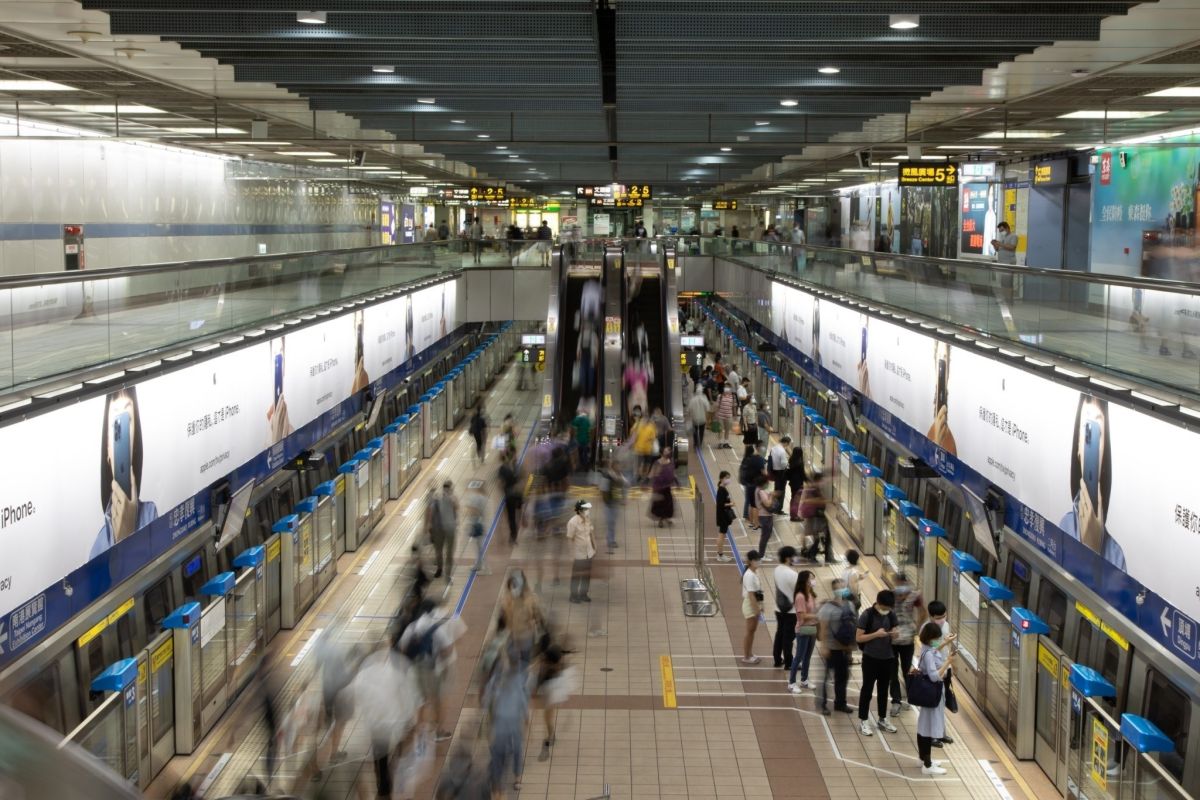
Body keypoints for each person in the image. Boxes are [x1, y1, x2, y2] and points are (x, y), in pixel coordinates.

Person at [399, 597, 467, 744]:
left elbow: (403, 648)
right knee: (441, 698)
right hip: (442, 667)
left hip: (419, 667)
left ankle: (419, 731)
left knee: (421, 699)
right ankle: (439, 731)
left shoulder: (414, 626)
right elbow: (451, 647)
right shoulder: (449, 618)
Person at [856, 589, 900, 736]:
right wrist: (876, 634)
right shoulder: (867, 615)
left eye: (890, 608)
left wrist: (895, 633)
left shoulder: (891, 614)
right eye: (886, 607)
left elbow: (895, 628)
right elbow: (859, 638)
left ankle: (882, 719)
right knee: (867, 690)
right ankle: (863, 720)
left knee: (883, 690)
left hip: (887, 658)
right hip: (870, 658)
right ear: (879, 603)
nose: (888, 610)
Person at [915, 621, 955, 775]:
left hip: (928, 695)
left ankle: (922, 759)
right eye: (938, 638)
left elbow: (932, 652)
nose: (939, 640)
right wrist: (947, 663)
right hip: (933, 694)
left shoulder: (926, 648)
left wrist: (945, 643)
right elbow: (933, 676)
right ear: (931, 638)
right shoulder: (929, 654)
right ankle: (927, 764)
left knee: (924, 725)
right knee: (927, 729)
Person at [815, 578, 855, 715]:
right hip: (831, 649)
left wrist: (850, 649)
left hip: (844, 648)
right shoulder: (827, 608)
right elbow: (823, 628)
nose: (843, 589)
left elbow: (851, 627)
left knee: (842, 677)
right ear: (834, 590)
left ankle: (840, 703)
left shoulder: (850, 605)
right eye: (839, 587)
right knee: (825, 678)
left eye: (844, 586)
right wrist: (824, 646)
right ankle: (822, 704)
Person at [889, 573, 924, 716]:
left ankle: (896, 701)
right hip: (908, 638)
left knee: (892, 671)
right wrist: (917, 627)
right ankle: (910, 697)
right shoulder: (915, 595)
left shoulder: (890, 595)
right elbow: (923, 613)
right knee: (906, 668)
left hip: (893, 638)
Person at [926, 600, 958, 747]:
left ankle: (941, 733)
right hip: (933, 671)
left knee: (941, 702)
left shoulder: (946, 625)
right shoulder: (927, 630)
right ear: (931, 617)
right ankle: (932, 736)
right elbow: (929, 652)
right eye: (938, 617)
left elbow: (945, 649)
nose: (942, 619)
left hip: (945, 669)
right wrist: (945, 643)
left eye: (944, 616)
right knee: (933, 704)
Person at [788, 569, 819, 692]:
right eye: (811, 578)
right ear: (805, 581)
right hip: (803, 629)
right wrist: (817, 615)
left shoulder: (810, 594)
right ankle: (791, 682)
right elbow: (802, 616)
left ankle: (804, 680)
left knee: (808, 656)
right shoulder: (800, 596)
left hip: (812, 628)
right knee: (799, 656)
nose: (813, 581)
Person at [772, 546, 799, 669]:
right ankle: (789, 663)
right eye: (793, 556)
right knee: (788, 638)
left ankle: (777, 659)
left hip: (779, 608)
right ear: (788, 558)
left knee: (779, 634)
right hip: (791, 610)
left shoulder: (776, 569)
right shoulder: (793, 574)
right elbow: (799, 591)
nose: (795, 559)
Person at [566, 500, 597, 603]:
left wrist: (595, 546)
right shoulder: (572, 522)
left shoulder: (588, 520)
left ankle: (583, 594)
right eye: (585, 509)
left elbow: (591, 533)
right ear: (579, 511)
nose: (587, 511)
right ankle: (573, 596)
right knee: (577, 576)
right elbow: (570, 539)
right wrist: (571, 555)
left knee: (586, 575)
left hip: (589, 553)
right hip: (579, 554)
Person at [798, 470, 831, 562]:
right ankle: (807, 551)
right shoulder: (811, 487)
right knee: (808, 532)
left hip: (812, 514)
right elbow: (807, 500)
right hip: (811, 514)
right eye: (821, 480)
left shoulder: (813, 486)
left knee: (812, 533)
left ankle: (808, 551)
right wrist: (824, 501)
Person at [428, 481, 459, 580]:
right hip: (439, 529)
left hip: (450, 528)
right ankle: (440, 568)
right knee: (438, 550)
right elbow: (431, 511)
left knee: (449, 552)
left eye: (450, 489)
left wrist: (451, 499)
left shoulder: (453, 499)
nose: (448, 491)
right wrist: (430, 525)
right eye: (447, 489)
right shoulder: (438, 499)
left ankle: (448, 573)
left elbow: (457, 508)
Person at [741, 551, 764, 664]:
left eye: (759, 559)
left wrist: (761, 605)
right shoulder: (749, 575)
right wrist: (756, 609)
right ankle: (746, 656)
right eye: (755, 560)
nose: (758, 562)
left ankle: (750, 653)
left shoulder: (755, 572)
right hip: (750, 604)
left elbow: (758, 590)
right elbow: (750, 594)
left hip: (755, 603)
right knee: (750, 631)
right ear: (750, 561)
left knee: (752, 630)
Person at [463, 480, 490, 574]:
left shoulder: (478, 497)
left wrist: (469, 510)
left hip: (478, 523)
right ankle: (478, 565)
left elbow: (475, 510)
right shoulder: (483, 497)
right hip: (481, 523)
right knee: (478, 546)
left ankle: (486, 569)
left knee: (480, 547)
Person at [498, 452, 523, 546]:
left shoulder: (502, 469)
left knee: (511, 518)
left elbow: (501, 483)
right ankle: (516, 532)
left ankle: (513, 537)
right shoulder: (517, 467)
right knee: (518, 515)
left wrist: (503, 490)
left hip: (509, 496)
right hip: (519, 494)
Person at [738, 444, 765, 527]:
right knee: (755, 504)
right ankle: (755, 523)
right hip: (754, 484)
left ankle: (749, 519)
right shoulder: (757, 459)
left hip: (747, 482)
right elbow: (763, 472)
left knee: (749, 502)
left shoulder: (747, 459)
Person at [649, 451, 676, 526]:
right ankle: (661, 520)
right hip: (659, 487)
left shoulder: (670, 462)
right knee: (660, 504)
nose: (667, 453)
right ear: (662, 454)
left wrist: (676, 481)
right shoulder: (658, 463)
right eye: (666, 451)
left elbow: (673, 473)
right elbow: (652, 474)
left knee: (668, 503)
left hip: (667, 487)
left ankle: (666, 518)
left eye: (668, 451)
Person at [754, 474, 776, 561]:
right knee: (765, 536)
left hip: (764, 516)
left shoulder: (758, 490)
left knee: (766, 536)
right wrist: (771, 496)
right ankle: (761, 555)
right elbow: (767, 504)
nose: (768, 483)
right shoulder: (761, 491)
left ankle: (762, 553)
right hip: (765, 516)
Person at [714, 470, 735, 563]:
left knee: (722, 535)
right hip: (723, 516)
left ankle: (720, 554)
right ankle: (720, 555)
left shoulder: (722, 488)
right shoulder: (721, 490)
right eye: (726, 478)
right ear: (721, 479)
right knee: (721, 535)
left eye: (729, 478)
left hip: (723, 515)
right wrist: (730, 504)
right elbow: (721, 504)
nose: (728, 480)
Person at [768, 435, 791, 512]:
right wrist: (788, 462)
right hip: (781, 473)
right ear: (786, 443)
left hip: (774, 471)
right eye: (788, 444)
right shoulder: (782, 451)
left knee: (776, 489)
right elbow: (784, 464)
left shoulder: (774, 448)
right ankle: (778, 509)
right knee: (781, 491)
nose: (787, 446)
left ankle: (774, 505)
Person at [787, 446, 807, 521]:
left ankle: (792, 515)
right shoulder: (799, 463)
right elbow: (802, 474)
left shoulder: (791, 460)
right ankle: (794, 516)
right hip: (798, 484)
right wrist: (809, 481)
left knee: (793, 499)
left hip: (792, 483)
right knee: (796, 500)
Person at [842, 549, 864, 614]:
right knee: (854, 614)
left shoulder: (845, 570)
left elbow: (848, 581)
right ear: (856, 559)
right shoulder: (854, 573)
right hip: (851, 596)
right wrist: (857, 599)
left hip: (845, 593)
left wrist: (858, 578)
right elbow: (854, 588)